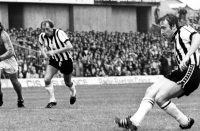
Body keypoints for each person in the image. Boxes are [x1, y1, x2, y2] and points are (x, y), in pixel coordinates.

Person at [115, 14, 200, 130]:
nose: (161, 32)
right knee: (154, 93)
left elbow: (197, 37)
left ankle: (134, 122)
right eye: (161, 28)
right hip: (181, 71)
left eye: (164, 28)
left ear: (174, 26)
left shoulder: (183, 30)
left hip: (191, 69)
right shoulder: (176, 38)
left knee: (160, 96)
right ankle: (185, 122)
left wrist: (187, 57)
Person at [38, 20, 77, 108]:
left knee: (67, 82)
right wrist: (44, 54)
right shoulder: (42, 36)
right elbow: (40, 45)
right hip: (54, 60)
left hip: (66, 60)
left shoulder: (59, 33)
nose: (45, 32)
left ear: (52, 28)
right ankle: (52, 100)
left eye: (47, 29)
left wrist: (54, 51)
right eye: (43, 29)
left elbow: (70, 46)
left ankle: (73, 92)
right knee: (47, 79)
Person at [0, 22, 24, 108]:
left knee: (14, 81)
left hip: (9, 59)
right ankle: (0, 95)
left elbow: (10, 52)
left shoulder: (4, 35)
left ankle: (20, 98)